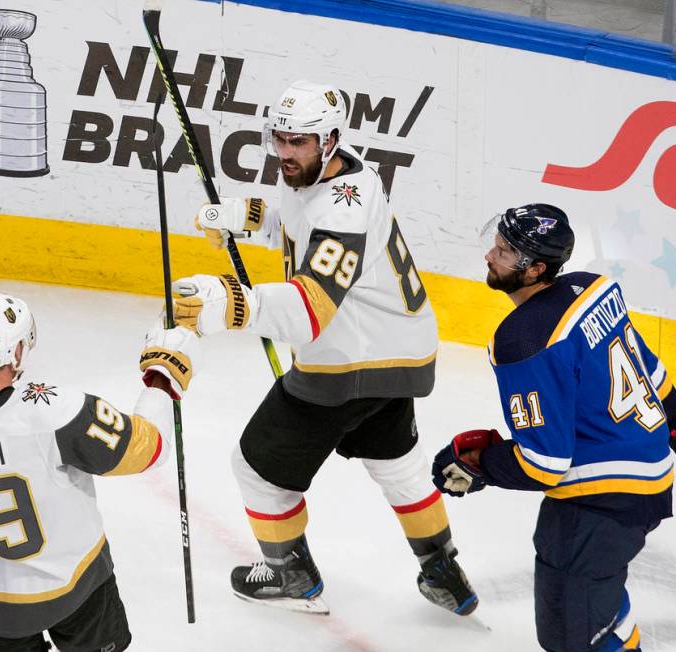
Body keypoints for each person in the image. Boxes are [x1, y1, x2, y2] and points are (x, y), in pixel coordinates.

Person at [171, 80, 477, 615]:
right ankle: (443, 570)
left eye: (300, 143)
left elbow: (310, 308)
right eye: (280, 139)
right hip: (400, 350)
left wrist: (231, 303)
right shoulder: (339, 171)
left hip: (351, 362)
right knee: (397, 463)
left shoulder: (344, 212)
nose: (286, 153)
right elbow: (297, 225)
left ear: (330, 139)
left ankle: (291, 577)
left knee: (256, 468)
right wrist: (244, 215)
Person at [432, 204, 676, 651]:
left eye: (505, 252)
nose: (490, 256)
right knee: (597, 608)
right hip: (649, 483)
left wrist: (479, 463)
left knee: (573, 638)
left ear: (535, 269)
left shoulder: (523, 341)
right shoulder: (594, 290)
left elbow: (544, 462)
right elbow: (646, 365)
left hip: (596, 509)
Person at [0, 292, 200, 651]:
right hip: (74, 591)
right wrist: (163, 374)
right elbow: (147, 448)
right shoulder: (57, 411)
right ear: (17, 351)